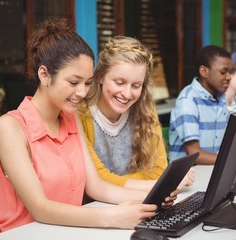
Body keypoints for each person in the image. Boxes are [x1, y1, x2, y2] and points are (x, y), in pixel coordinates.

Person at [0, 19, 178, 236]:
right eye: (73, 82)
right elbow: (40, 208)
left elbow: (96, 187)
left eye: (87, 83)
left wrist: (151, 200)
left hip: (65, 232)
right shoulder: (10, 127)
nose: (82, 92)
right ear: (44, 75)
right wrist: (113, 217)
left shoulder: (71, 118)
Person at [79, 36, 194, 191]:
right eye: (119, 83)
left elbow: (158, 171)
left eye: (136, 85)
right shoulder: (81, 115)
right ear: (100, 76)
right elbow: (97, 179)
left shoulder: (145, 110)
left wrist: (157, 182)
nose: (127, 94)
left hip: (136, 203)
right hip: (97, 208)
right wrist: (164, 184)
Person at [169, 45, 232, 165]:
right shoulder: (188, 101)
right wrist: (233, 160)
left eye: (230, 72)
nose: (229, 77)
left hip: (211, 168)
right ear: (204, 72)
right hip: (189, 175)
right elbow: (194, 154)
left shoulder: (220, 98)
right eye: (223, 72)